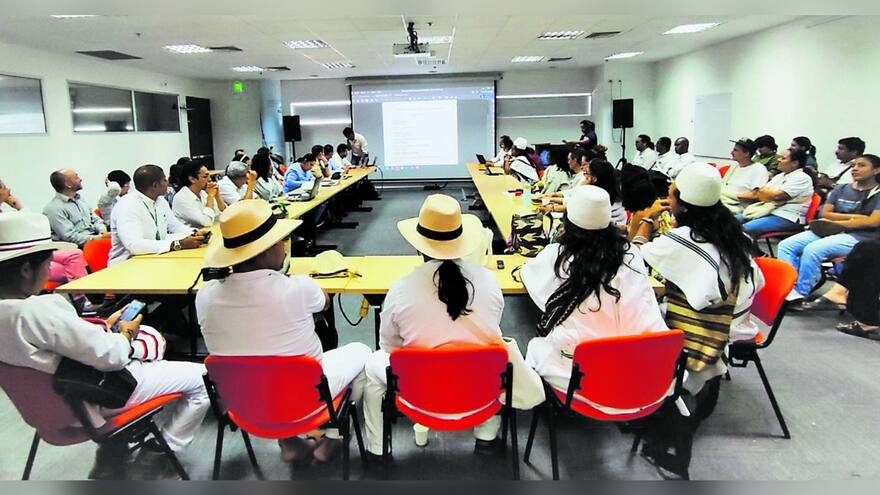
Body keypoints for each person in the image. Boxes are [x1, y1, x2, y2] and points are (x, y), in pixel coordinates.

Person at [0, 211, 209, 479]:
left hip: (50, 408)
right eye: (48, 264)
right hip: (96, 395)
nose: (50, 270)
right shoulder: (35, 311)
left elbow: (51, 346)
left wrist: (97, 327)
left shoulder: (14, 313)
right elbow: (113, 357)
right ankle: (159, 453)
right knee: (202, 380)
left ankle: (115, 450)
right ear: (27, 269)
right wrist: (127, 335)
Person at [196, 200, 370, 463]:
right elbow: (323, 301)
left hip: (244, 404)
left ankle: (288, 442)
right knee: (362, 352)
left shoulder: (205, 295)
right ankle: (332, 437)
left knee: (259, 364)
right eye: (281, 242)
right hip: (304, 400)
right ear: (265, 252)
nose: (285, 246)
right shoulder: (298, 288)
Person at [632, 163, 762, 477]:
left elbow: (634, 258)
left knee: (635, 323)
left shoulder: (683, 240)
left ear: (682, 204)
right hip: (733, 324)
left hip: (697, 333)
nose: (668, 197)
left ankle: (659, 421)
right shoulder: (733, 233)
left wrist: (645, 224)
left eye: (672, 193)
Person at [362, 194, 507, 462]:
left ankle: (377, 452)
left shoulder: (401, 288)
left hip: (419, 390)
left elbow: (389, 346)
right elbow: (491, 331)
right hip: (477, 386)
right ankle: (487, 437)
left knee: (373, 367)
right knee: (497, 356)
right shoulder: (489, 281)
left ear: (419, 246)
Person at [523, 186, 668, 410]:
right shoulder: (630, 256)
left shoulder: (558, 255)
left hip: (577, 378)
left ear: (567, 224)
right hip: (635, 375)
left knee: (535, 346)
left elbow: (530, 277)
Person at [779, 154, 880, 304]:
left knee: (813, 249)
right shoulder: (841, 188)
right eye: (854, 166)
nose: (855, 169)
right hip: (828, 230)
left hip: (860, 237)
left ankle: (800, 293)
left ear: (876, 170)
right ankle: (789, 287)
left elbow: (872, 222)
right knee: (786, 245)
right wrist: (857, 219)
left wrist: (837, 221)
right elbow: (824, 213)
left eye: (861, 165)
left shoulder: (877, 193)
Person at [1, 178, 94, 312]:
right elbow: (31, 230)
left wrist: (19, 207)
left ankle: (82, 301)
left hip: (27, 253)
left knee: (74, 256)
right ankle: (82, 301)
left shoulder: (6, 215)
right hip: (18, 257)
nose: (9, 190)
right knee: (71, 263)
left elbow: (30, 227)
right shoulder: (53, 207)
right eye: (4, 188)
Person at [108, 165, 206, 265]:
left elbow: (176, 227)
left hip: (154, 258)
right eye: (164, 180)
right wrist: (177, 244)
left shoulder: (160, 201)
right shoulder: (127, 206)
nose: (167, 183)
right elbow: (134, 245)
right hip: (126, 264)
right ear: (155, 185)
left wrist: (194, 233)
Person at [736, 148, 815, 238]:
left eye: (783, 158)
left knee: (746, 229)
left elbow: (777, 196)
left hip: (788, 217)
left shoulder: (802, 178)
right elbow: (760, 192)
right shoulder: (780, 176)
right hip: (770, 210)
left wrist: (767, 194)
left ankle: (757, 253)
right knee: (732, 221)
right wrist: (767, 194)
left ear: (795, 163)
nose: (778, 160)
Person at [540, 159, 627, 228]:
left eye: (586, 173)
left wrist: (582, 188)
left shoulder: (598, 198)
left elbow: (575, 208)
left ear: (594, 178)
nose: (584, 175)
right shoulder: (610, 191)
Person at [42, 169, 108, 248]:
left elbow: (96, 219)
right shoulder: (53, 209)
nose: (80, 179)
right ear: (68, 184)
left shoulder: (80, 200)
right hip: (77, 248)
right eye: (76, 177)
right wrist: (99, 238)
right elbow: (70, 237)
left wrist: (102, 231)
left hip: (95, 239)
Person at [721, 138, 769, 214]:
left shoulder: (758, 169)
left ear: (746, 153)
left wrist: (731, 196)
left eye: (736, 150)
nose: (731, 152)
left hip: (739, 206)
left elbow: (756, 195)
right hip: (724, 202)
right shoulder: (734, 167)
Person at [172, 161, 226, 228]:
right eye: (205, 176)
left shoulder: (202, 192)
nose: (209, 180)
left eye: (209, 176)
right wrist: (210, 196)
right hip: (191, 236)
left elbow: (223, 213)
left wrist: (217, 195)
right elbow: (207, 222)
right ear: (192, 179)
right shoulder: (181, 198)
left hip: (205, 232)